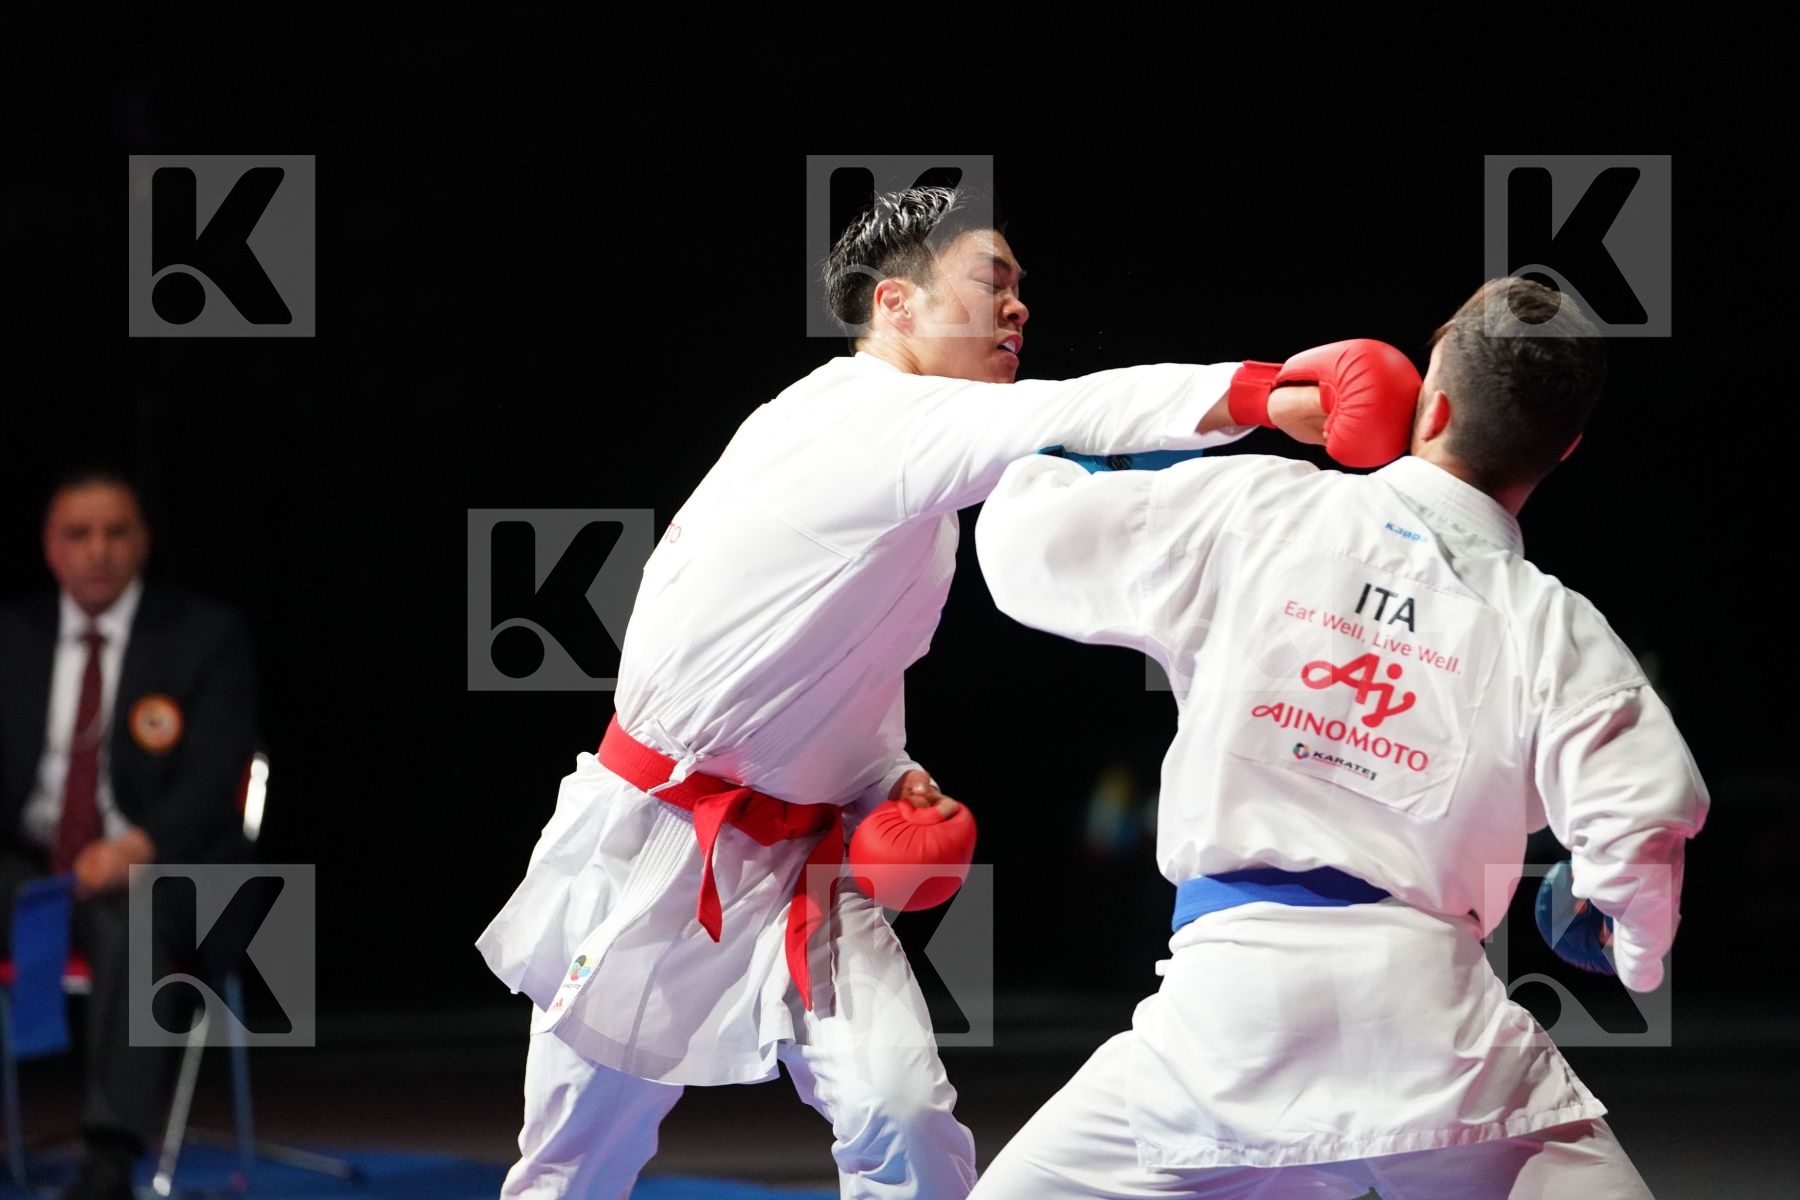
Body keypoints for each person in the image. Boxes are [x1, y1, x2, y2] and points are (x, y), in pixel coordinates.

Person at [474, 185, 1421, 1199]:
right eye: (991, 281)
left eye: (1021, 287)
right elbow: (1073, 410)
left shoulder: (922, 492)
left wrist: (889, 779)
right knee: (575, 1163)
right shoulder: (858, 418)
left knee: (907, 1118)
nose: (1019, 306)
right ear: (896, 304)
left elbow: (837, 674)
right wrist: (1268, 395)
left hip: (806, 869)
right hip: (658, 846)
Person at [965, 276, 1711, 1199]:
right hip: (1439, 1040)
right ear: (1565, 449)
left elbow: (1023, 534)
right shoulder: (1554, 625)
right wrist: (1631, 940)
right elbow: (1645, 819)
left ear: (1431, 405)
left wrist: (1255, 403)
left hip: (1226, 1023)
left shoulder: (1260, 508)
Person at [0, 467, 258, 1200]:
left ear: (143, 542)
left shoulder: (203, 636)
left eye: (116, 532)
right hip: (29, 862)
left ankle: (110, 1156)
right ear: (50, 547)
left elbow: (215, 776)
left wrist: (132, 848)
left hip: (164, 863)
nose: (98, 550)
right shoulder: (12, 637)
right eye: (78, 534)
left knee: (129, 921)